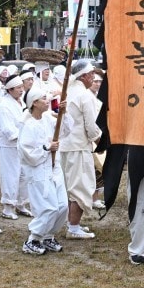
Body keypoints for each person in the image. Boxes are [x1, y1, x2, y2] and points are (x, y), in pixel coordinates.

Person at [17, 86, 69, 255]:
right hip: (38, 170)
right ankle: (33, 239)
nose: (48, 101)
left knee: (62, 206)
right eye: (44, 99)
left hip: (54, 168)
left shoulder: (47, 119)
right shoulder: (29, 125)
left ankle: (48, 235)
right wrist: (46, 148)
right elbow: (26, 152)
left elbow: (65, 131)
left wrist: (64, 114)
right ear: (34, 103)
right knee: (49, 207)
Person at [61, 59, 102, 240]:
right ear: (84, 76)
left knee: (71, 186)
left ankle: (72, 224)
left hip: (66, 145)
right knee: (80, 186)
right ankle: (73, 227)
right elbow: (91, 126)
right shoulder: (84, 95)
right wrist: (99, 143)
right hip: (77, 146)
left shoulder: (68, 92)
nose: (94, 77)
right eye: (92, 74)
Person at [0, 74, 27, 219]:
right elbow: (7, 129)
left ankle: (21, 204)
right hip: (8, 146)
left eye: (22, 87)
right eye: (18, 88)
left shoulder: (22, 103)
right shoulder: (4, 105)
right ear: (10, 89)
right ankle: (8, 208)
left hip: (22, 144)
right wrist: (23, 135)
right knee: (10, 175)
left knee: (24, 175)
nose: (21, 90)